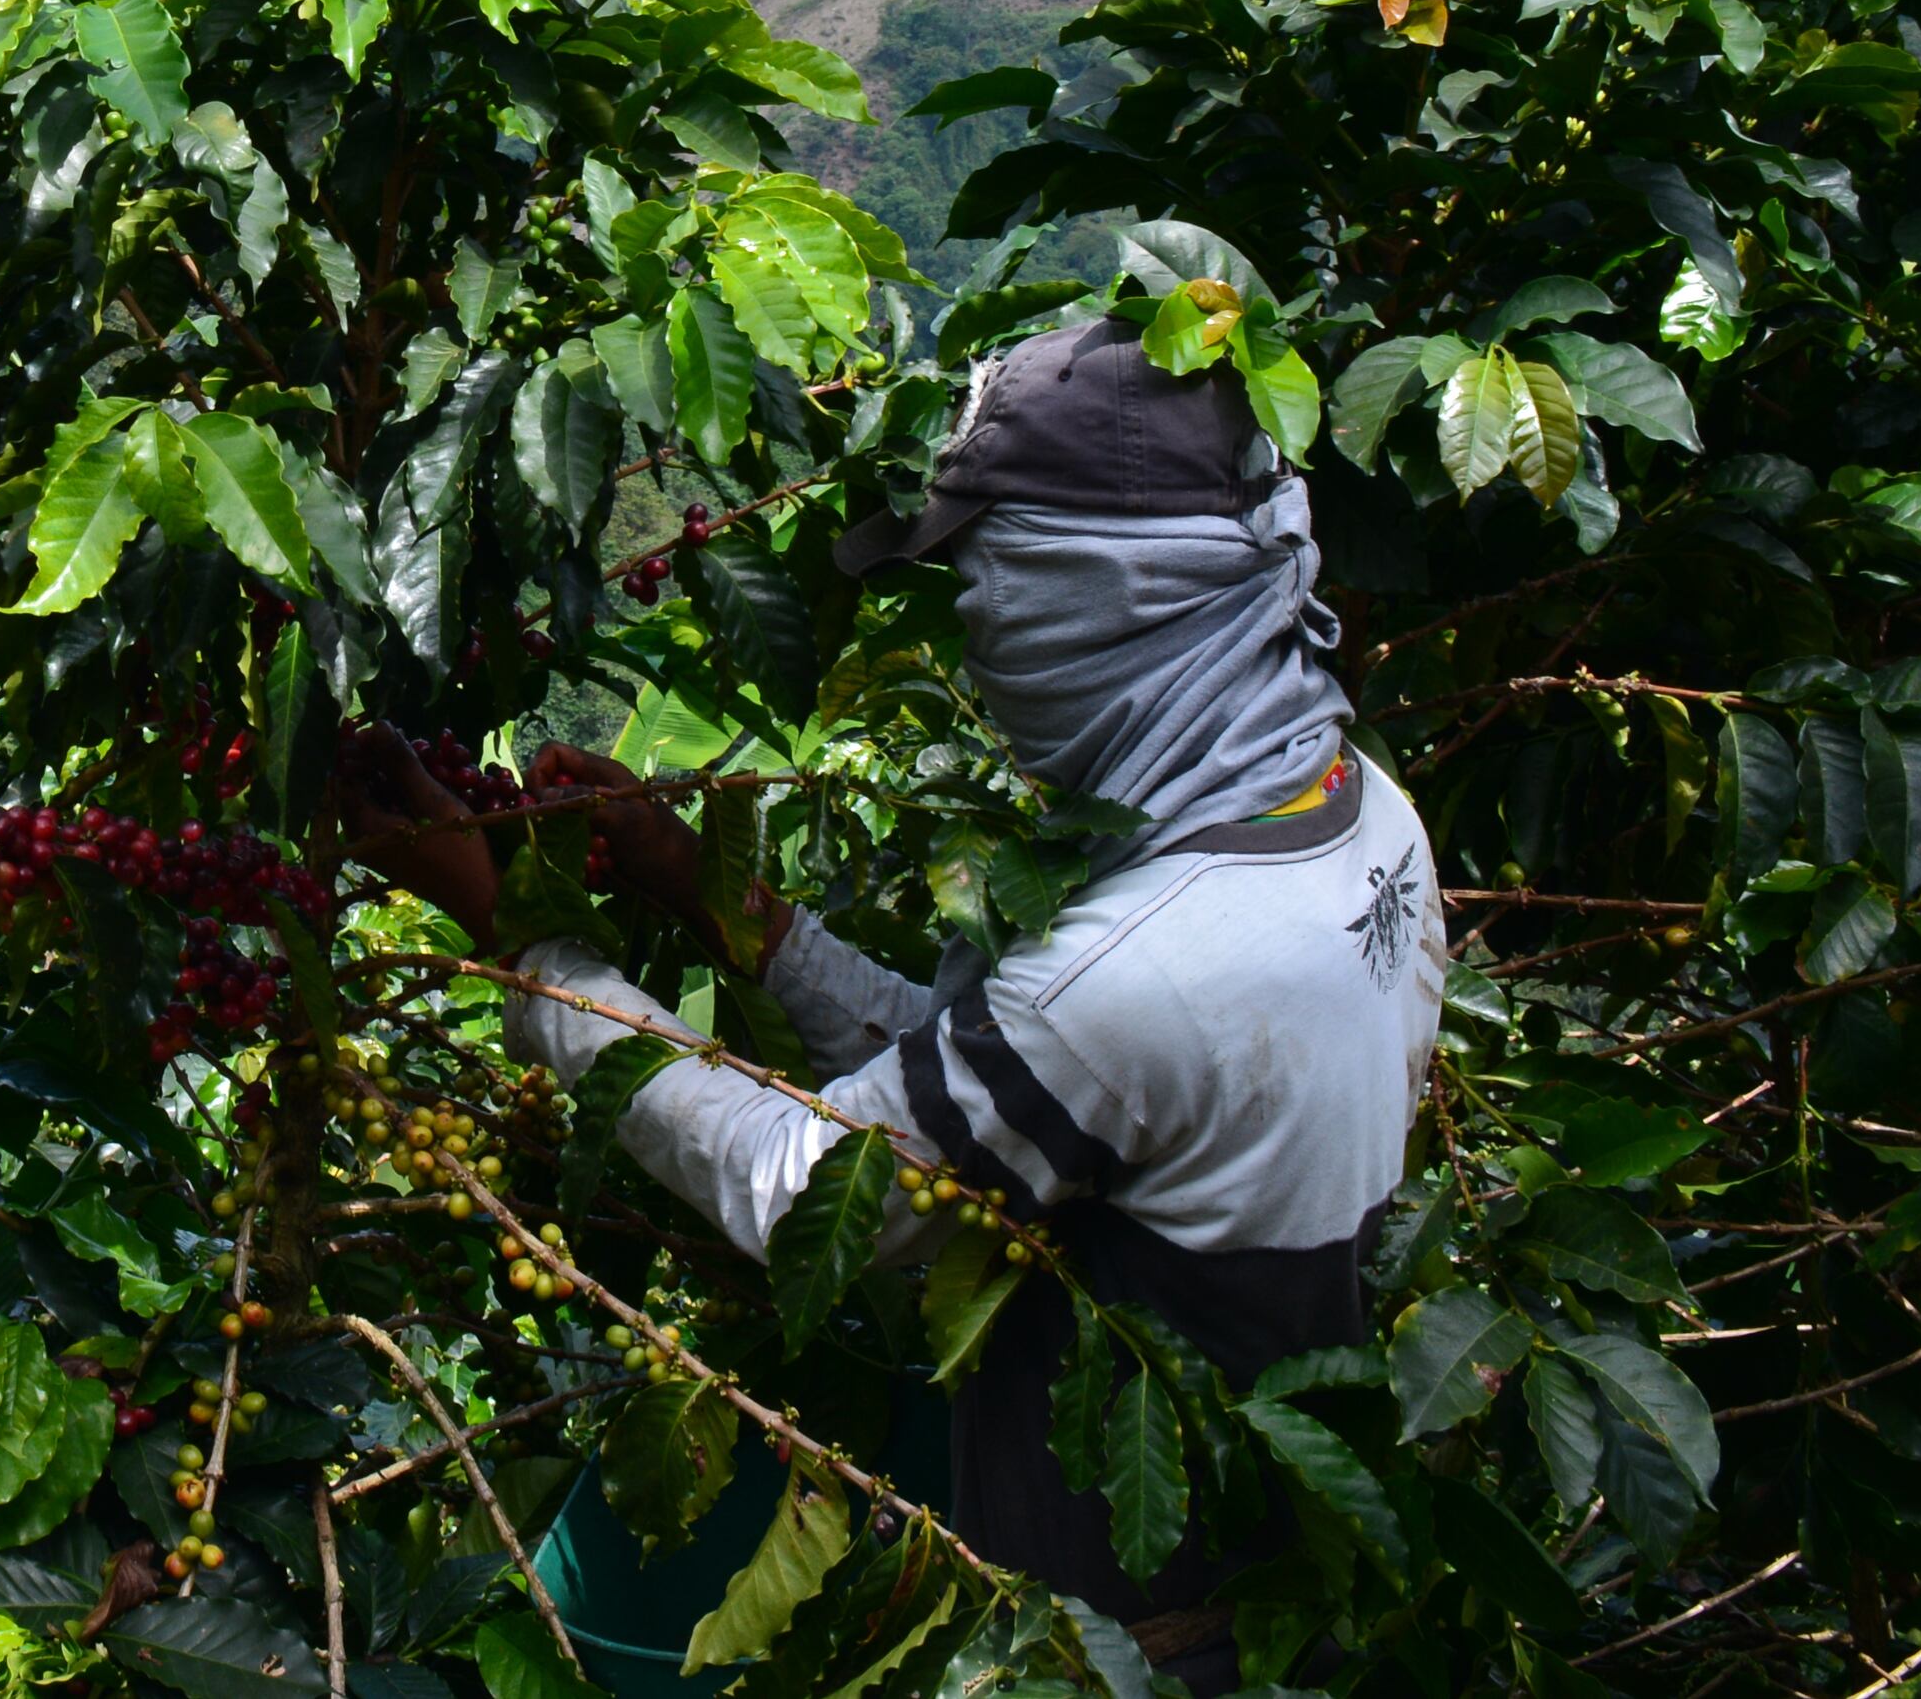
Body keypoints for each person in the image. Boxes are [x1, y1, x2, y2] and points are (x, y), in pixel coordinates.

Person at [342, 320, 1446, 1686]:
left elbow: (806, 1188)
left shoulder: (1151, 970)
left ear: (1099, 595)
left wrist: (528, 948)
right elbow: (1018, 1094)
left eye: (989, 580)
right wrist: (727, 906)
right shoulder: (1348, 810)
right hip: (1284, 1588)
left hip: (1123, 1651)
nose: (975, 631)